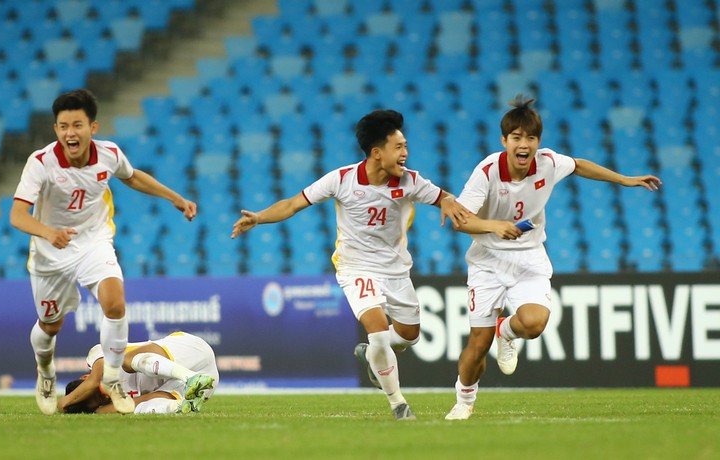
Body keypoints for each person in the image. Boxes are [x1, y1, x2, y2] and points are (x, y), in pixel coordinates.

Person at [232, 109, 469, 420]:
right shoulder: (341, 180)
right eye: (398, 147)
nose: (405, 154)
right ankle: (398, 404)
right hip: (355, 267)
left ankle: (373, 357)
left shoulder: (410, 181)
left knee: (409, 335)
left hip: (396, 270)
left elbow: (443, 197)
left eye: (405, 146)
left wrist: (449, 199)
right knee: (379, 333)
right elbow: (292, 204)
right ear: (376, 152)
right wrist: (259, 217)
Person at [445, 95, 662, 421]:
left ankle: (507, 331)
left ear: (538, 142)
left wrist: (624, 179)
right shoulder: (487, 171)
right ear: (504, 141)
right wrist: (495, 226)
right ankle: (464, 401)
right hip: (487, 260)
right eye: (516, 137)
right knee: (478, 344)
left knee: (534, 324)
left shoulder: (547, 162)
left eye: (530, 138)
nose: (524, 144)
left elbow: (578, 164)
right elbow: (461, 219)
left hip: (530, 257)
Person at [10, 89, 198, 415]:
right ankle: (45, 371)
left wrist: (175, 197)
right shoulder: (41, 162)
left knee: (115, 303)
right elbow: (17, 215)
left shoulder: (109, 154)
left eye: (77, 125)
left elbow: (133, 176)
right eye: (64, 126)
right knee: (50, 327)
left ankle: (111, 378)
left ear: (92, 127)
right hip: (50, 252)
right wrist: (48, 232)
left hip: (93, 242)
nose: (71, 133)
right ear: (56, 130)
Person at [59, 331, 218, 414]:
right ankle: (180, 407)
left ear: (85, 377)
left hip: (188, 349)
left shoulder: (95, 355)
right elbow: (143, 400)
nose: (106, 395)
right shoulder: (116, 402)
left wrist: (63, 403)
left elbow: (94, 380)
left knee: (126, 362)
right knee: (146, 404)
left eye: (98, 392)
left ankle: (190, 378)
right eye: (102, 400)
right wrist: (100, 410)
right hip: (208, 381)